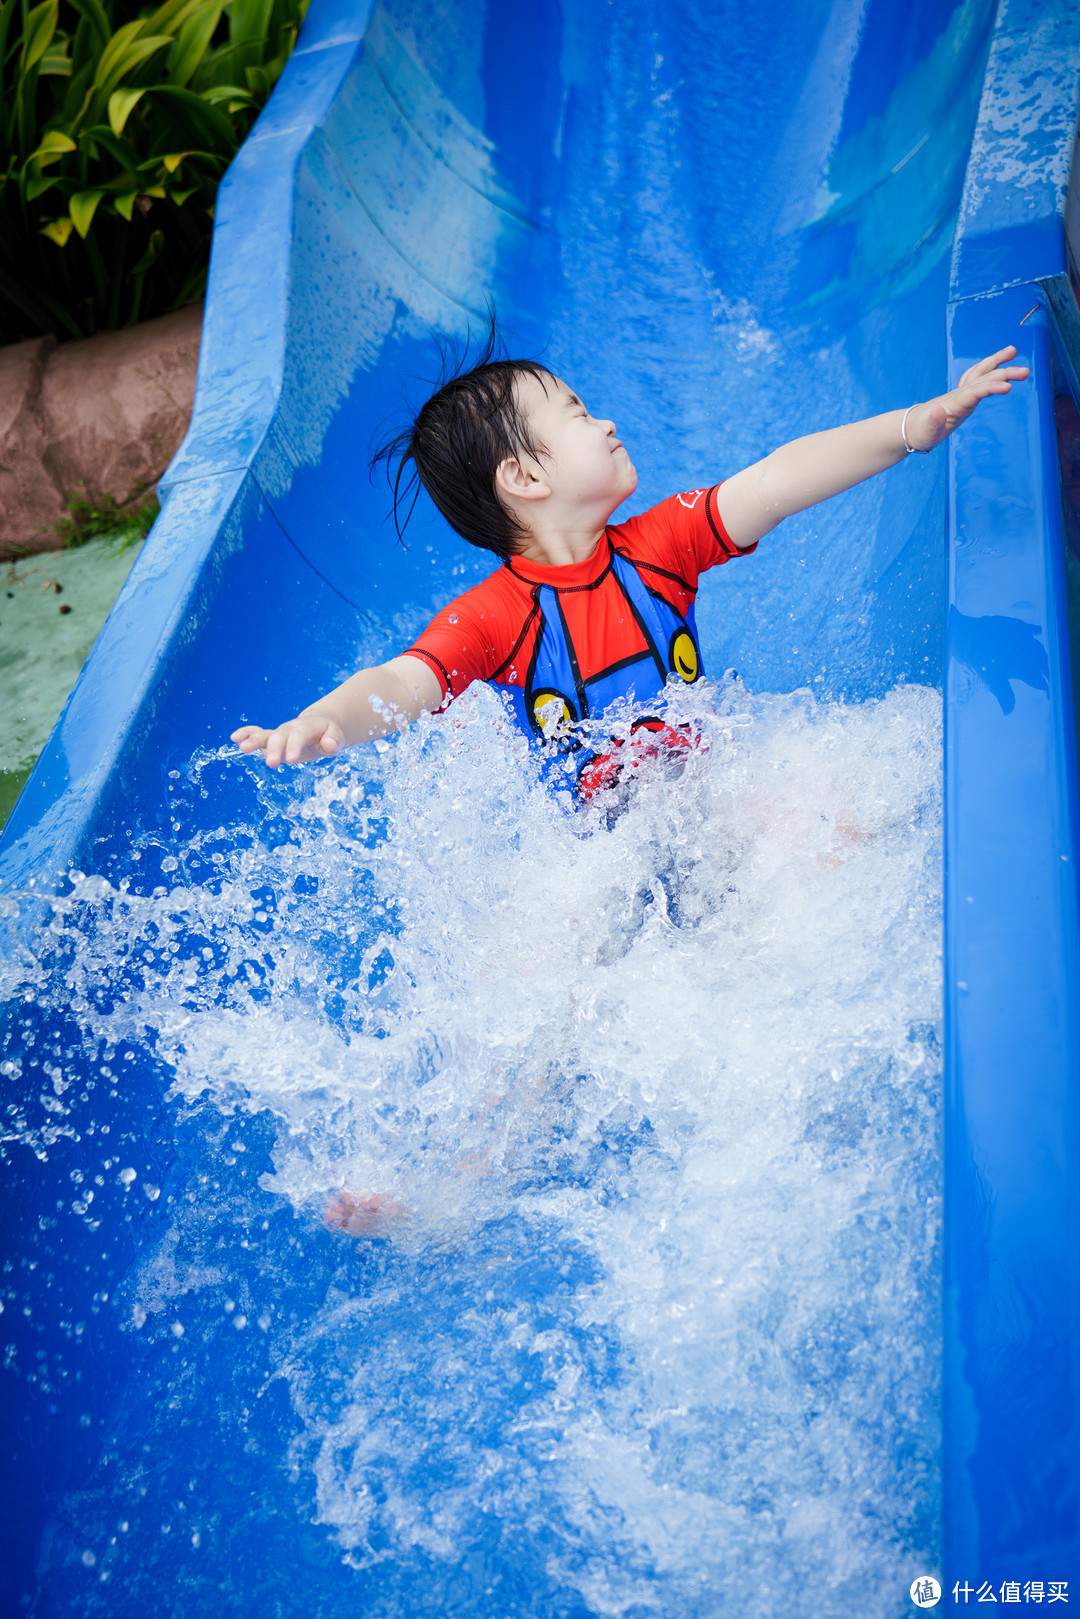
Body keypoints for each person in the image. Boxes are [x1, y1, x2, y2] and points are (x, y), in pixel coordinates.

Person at [231, 338, 1028, 803]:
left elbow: (778, 479)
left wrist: (912, 426)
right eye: (577, 414)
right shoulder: (494, 619)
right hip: (594, 858)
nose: (605, 420)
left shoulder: (661, 545)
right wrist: (332, 717)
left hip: (703, 800)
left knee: (837, 811)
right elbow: (406, 681)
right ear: (525, 478)